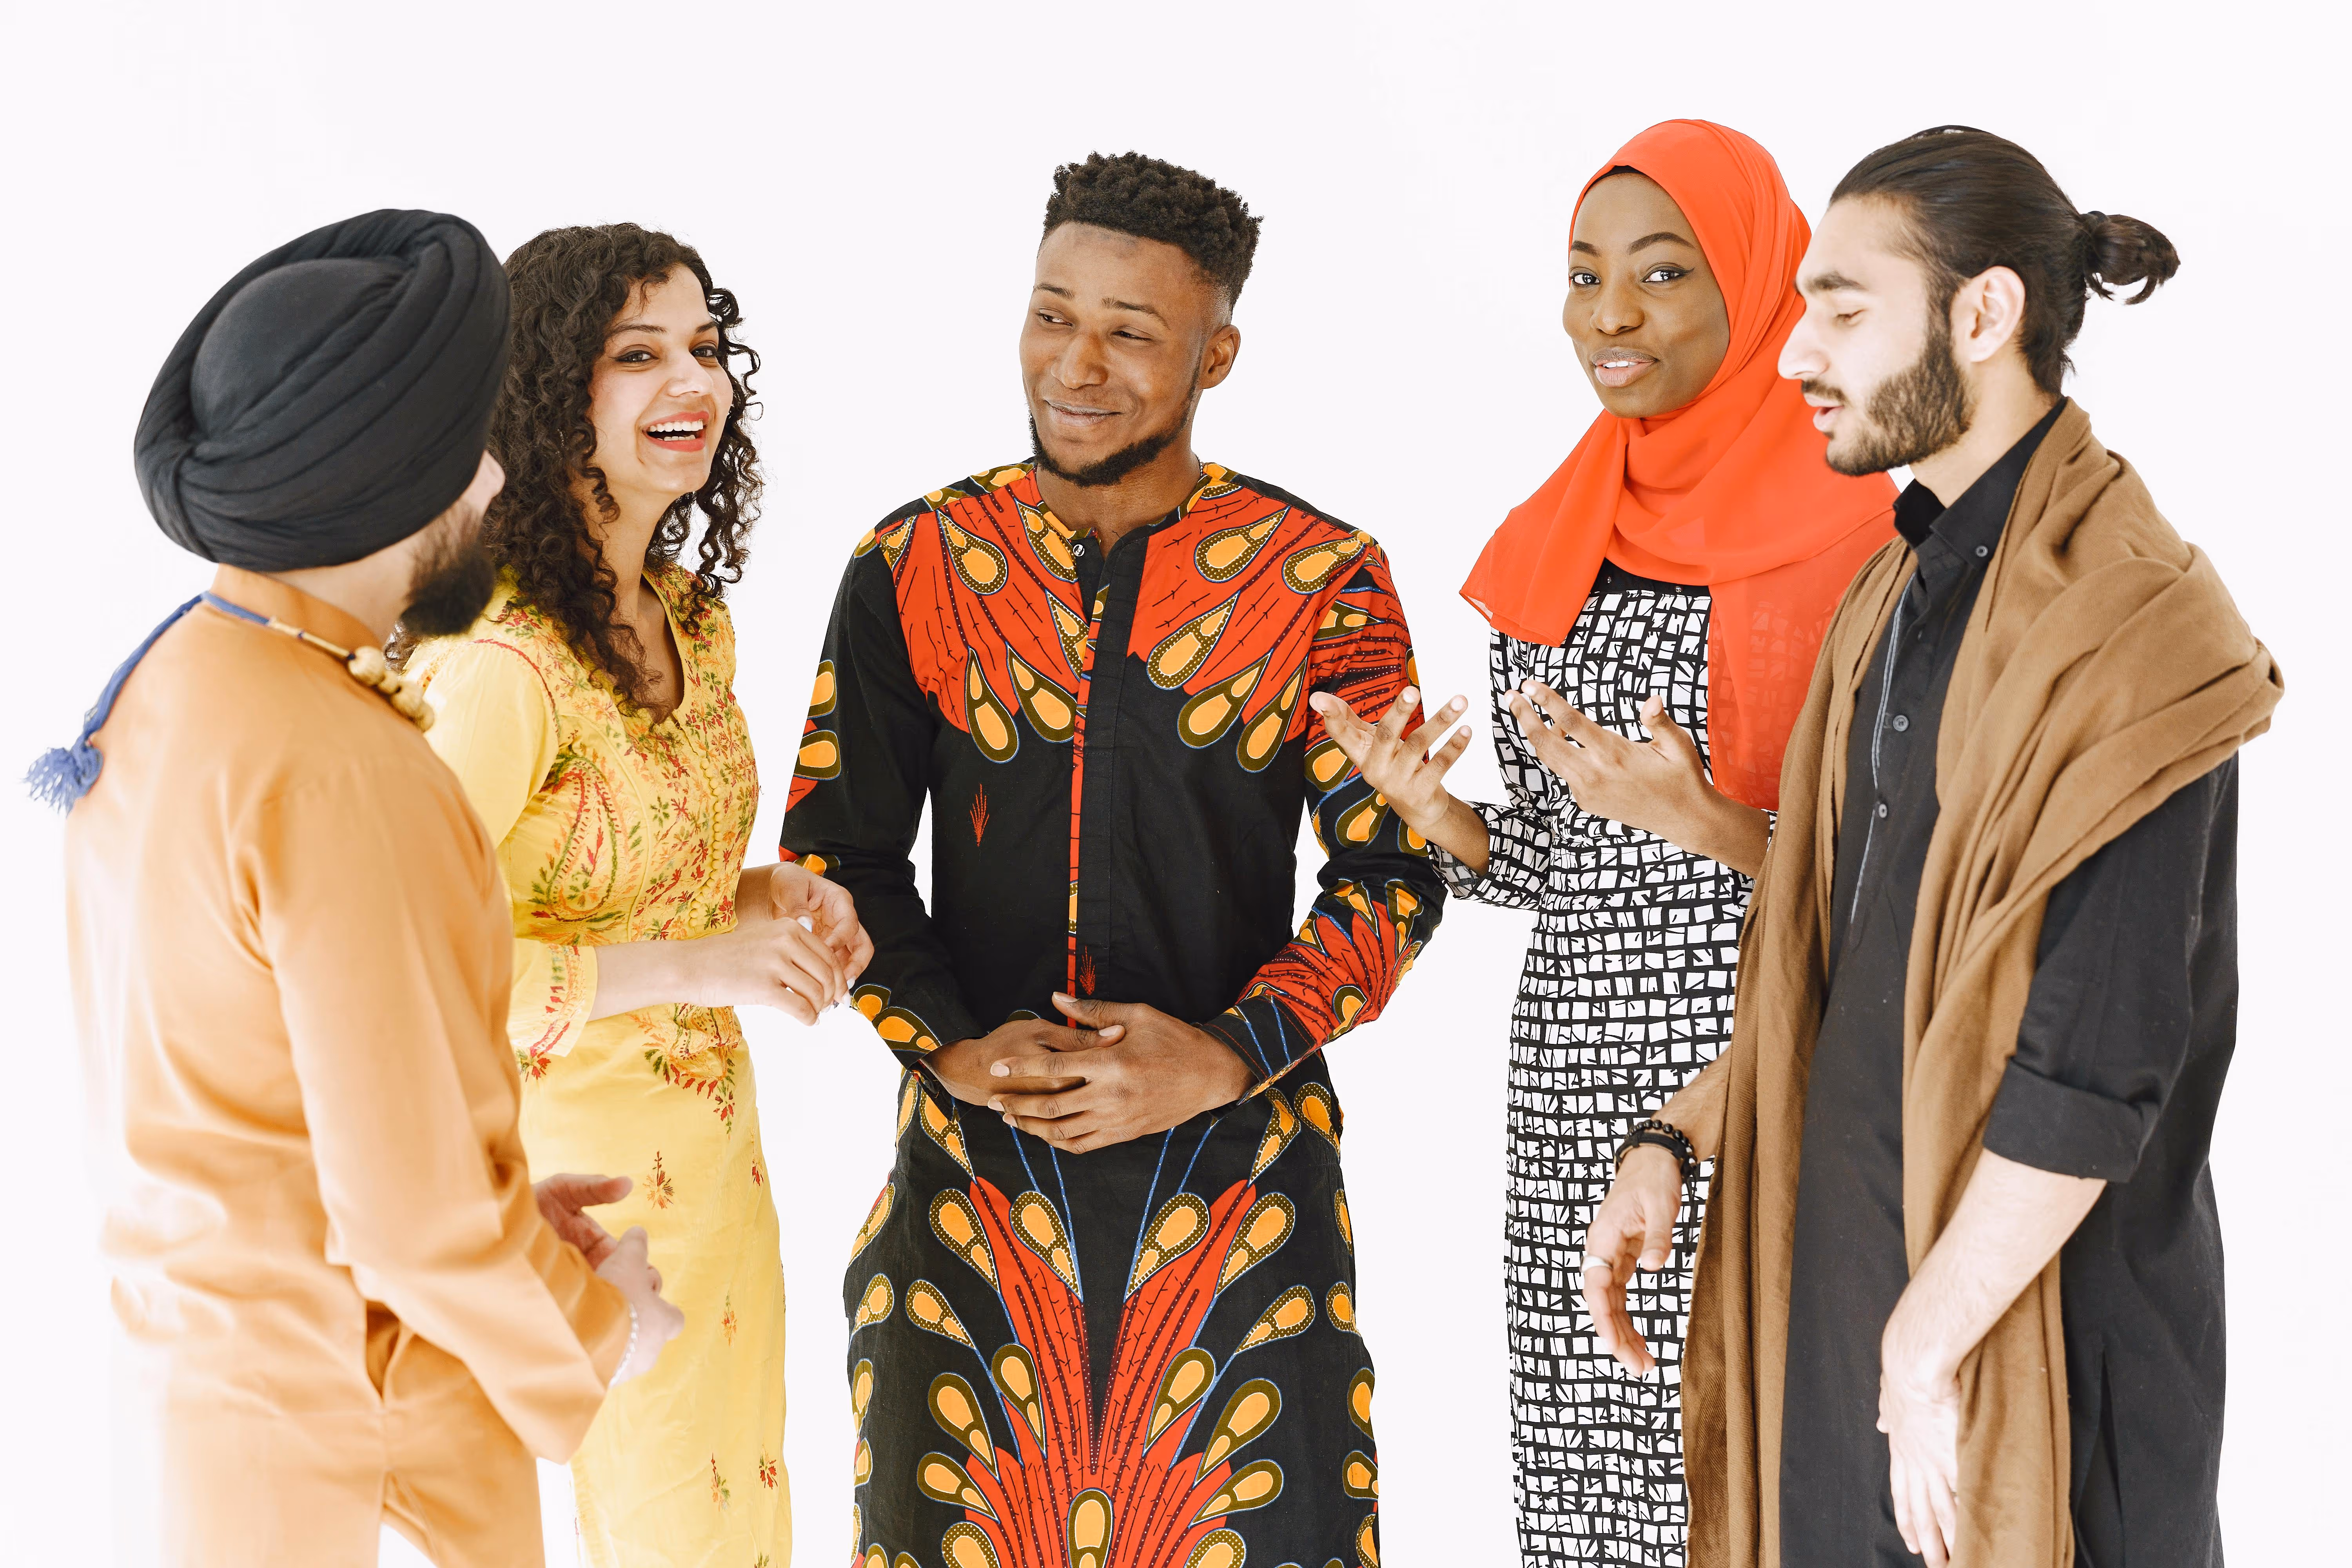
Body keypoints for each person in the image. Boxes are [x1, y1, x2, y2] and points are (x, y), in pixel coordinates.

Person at [1581, 127, 2281, 1568]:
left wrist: (1928, 1344)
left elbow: (2097, 1062)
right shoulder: (1895, 592)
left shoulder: (2133, 632)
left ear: (1983, 314)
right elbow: (1846, 958)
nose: (1795, 355)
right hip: (1857, 1326)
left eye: (1844, 310)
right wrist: (1677, 1136)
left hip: (2027, 1356)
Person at [782, 151, 1445, 1568]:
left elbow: (1392, 876)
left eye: (1131, 331)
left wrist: (1222, 1054)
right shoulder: (915, 560)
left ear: (1218, 351)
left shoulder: (1318, 575)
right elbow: (837, 860)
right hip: (972, 1201)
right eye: (1051, 314)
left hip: (1239, 1197)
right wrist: (948, 1049)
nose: (1076, 365)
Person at [47, 210, 683, 1568]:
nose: (499, 477)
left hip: (217, 1425)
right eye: (471, 451)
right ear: (394, 483)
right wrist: (602, 1320)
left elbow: (253, 1111)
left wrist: (515, 1215)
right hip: (361, 1448)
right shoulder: (340, 763)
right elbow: (410, 1229)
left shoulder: (173, 690)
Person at [1308, 120, 1895, 1565]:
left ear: (1759, 286)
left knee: (1761, 1472)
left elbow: (1911, 870)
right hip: (1573, 1083)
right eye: (1583, 275)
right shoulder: (1555, 539)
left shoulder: (1872, 531)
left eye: (1661, 274)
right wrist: (1433, 812)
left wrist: (1712, 823)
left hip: (1773, 1063)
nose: (1609, 315)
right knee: (1596, 1494)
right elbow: (1566, 870)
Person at [407, 222, 866, 1568]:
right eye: (639, 355)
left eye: (709, 350)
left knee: (734, 1520)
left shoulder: (687, 616)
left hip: (717, 1167)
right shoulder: (502, 662)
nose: (696, 384)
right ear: (554, 392)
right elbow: (418, 965)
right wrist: (701, 970)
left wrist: (772, 900)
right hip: (572, 1191)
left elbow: (638, 885)